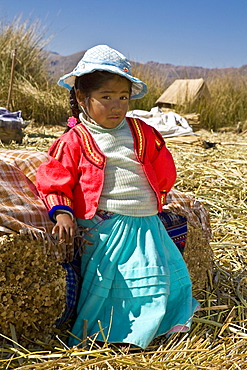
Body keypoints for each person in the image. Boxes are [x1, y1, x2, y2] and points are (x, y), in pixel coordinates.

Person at [36, 44, 199, 349]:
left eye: (122, 97)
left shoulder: (141, 131)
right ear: (83, 99)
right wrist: (63, 212)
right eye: (106, 97)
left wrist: (157, 198)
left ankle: (162, 327)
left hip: (147, 220)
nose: (116, 106)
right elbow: (54, 179)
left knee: (161, 279)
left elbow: (163, 167)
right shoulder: (74, 140)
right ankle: (114, 335)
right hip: (107, 224)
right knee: (117, 285)